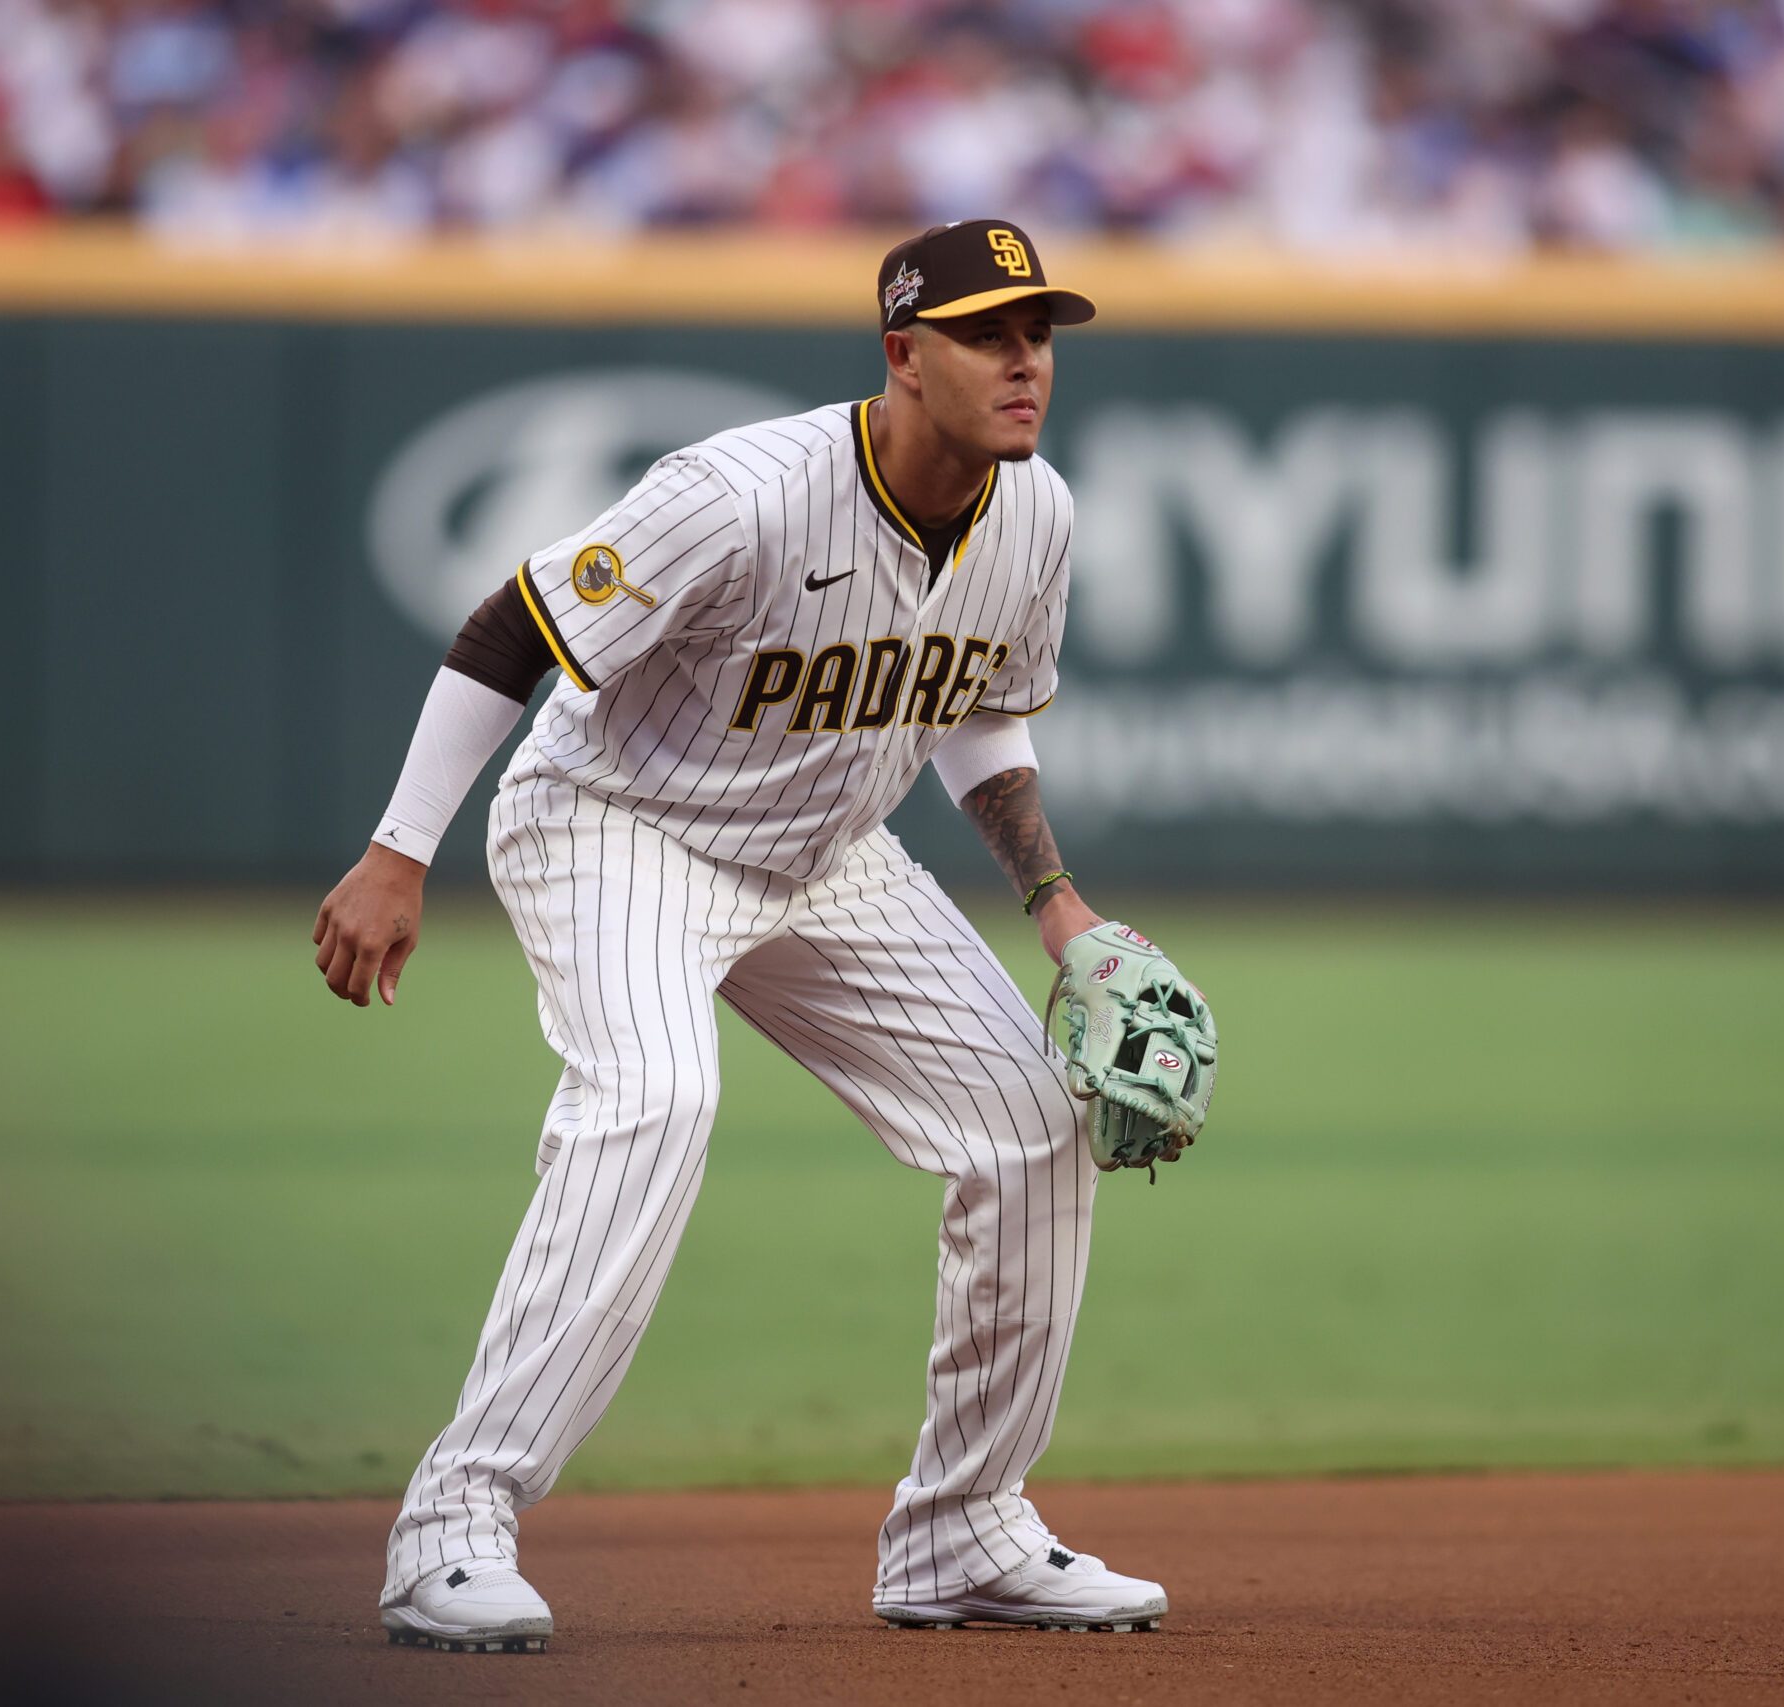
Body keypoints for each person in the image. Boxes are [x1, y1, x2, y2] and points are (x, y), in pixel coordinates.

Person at [312, 219, 1176, 1650]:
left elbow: (978, 704)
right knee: (653, 1098)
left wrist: (1058, 906)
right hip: (618, 823)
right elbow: (510, 626)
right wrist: (398, 853)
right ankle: (454, 1524)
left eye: (1040, 335)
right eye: (987, 335)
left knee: (1032, 1121)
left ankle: (963, 1532)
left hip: (826, 854)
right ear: (903, 355)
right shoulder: (741, 493)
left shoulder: (1038, 513)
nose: (1026, 362)